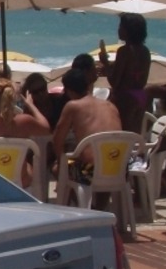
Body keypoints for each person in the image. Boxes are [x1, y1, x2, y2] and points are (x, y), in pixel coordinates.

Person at [52, 67, 123, 199]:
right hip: (119, 169)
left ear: (68, 90)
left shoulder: (73, 106)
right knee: (100, 163)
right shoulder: (110, 106)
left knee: (59, 168)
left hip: (90, 173)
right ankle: (100, 207)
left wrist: (60, 160)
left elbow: (57, 139)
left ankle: (80, 205)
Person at [98, 13, 152, 135]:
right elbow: (138, 77)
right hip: (140, 96)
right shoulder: (145, 51)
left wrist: (106, 64)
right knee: (136, 136)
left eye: (121, 27)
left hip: (125, 99)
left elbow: (115, 82)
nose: (118, 30)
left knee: (122, 137)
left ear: (129, 30)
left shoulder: (124, 51)